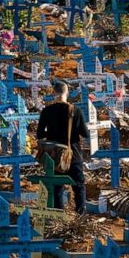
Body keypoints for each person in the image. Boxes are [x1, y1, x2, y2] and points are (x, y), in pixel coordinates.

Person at [36, 82, 89, 214]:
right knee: (79, 187)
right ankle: (80, 217)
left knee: (56, 188)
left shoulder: (47, 111)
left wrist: (53, 135)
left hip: (54, 156)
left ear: (54, 92)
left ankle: (58, 217)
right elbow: (85, 134)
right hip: (73, 155)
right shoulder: (75, 111)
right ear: (67, 93)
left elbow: (40, 134)